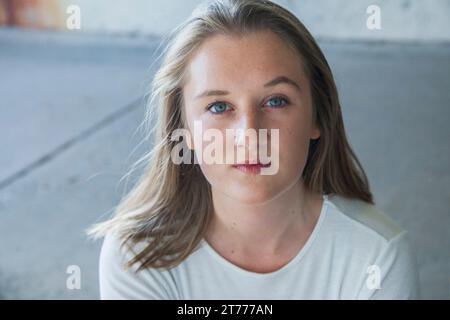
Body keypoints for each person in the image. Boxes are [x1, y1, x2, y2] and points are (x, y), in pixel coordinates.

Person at [88, 0, 419, 299]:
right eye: (219, 107)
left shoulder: (376, 256)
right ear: (184, 129)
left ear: (317, 116)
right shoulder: (138, 254)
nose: (249, 134)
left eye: (276, 101)